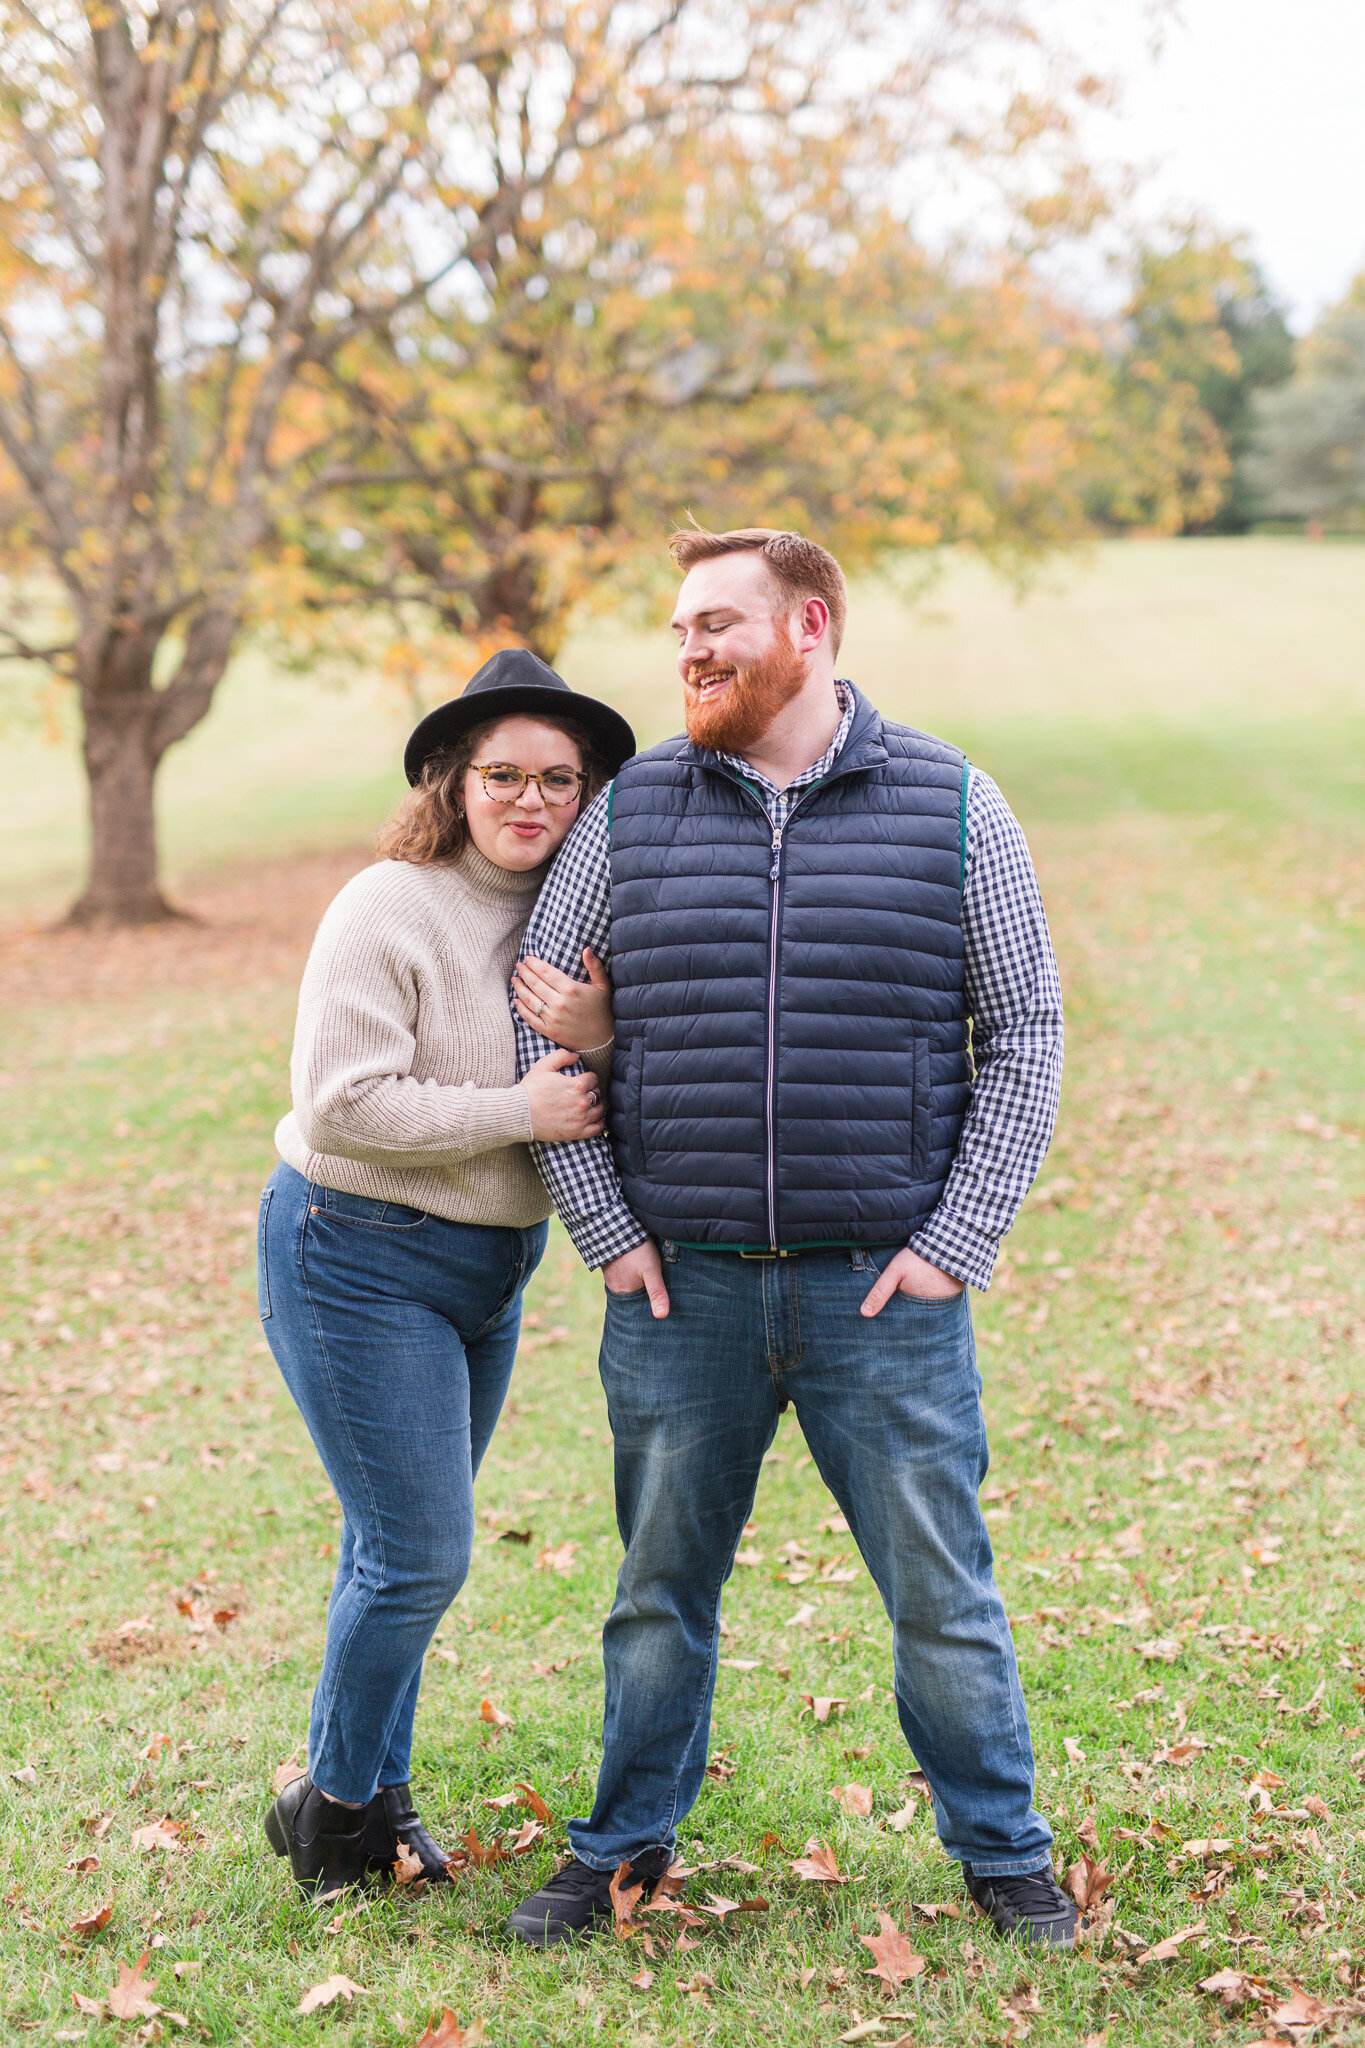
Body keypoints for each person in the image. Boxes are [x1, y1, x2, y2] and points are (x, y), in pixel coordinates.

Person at [506, 528, 1076, 1950]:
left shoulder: (952, 804)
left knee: (942, 1598)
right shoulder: (630, 809)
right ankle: (621, 1849)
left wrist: (957, 1239)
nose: (689, 650)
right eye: (680, 628)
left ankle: (1003, 1855)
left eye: (718, 623)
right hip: (677, 1293)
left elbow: (1024, 1031)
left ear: (807, 626)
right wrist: (605, 1229)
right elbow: (537, 1021)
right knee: (654, 1600)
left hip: (881, 1296)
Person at [259, 650, 635, 1904]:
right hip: (354, 1250)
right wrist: (517, 1102)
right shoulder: (387, 904)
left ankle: (373, 1788)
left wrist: (603, 1039)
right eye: (503, 775)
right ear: (451, 780)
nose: (530, 800)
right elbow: (344, 1102)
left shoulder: (573, 921)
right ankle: (333, 1812)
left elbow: (609, 1085)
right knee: (417, 1551)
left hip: (489, 1265)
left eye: (559, 779)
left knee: (394, 1547)